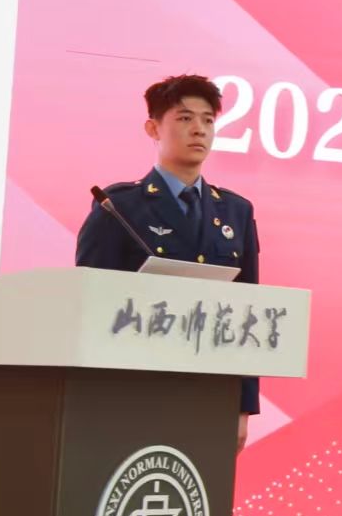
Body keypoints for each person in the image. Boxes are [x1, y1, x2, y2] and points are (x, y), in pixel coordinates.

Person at [75, 74, 259, 448]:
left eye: (208, 120)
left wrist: (242, 407)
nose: (199, 129)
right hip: (132, 392)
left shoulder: (236, 211)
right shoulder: (118, 207)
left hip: (209, 392)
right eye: (184, 118)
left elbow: (247, 313)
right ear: (153, 128)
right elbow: (89, 307)